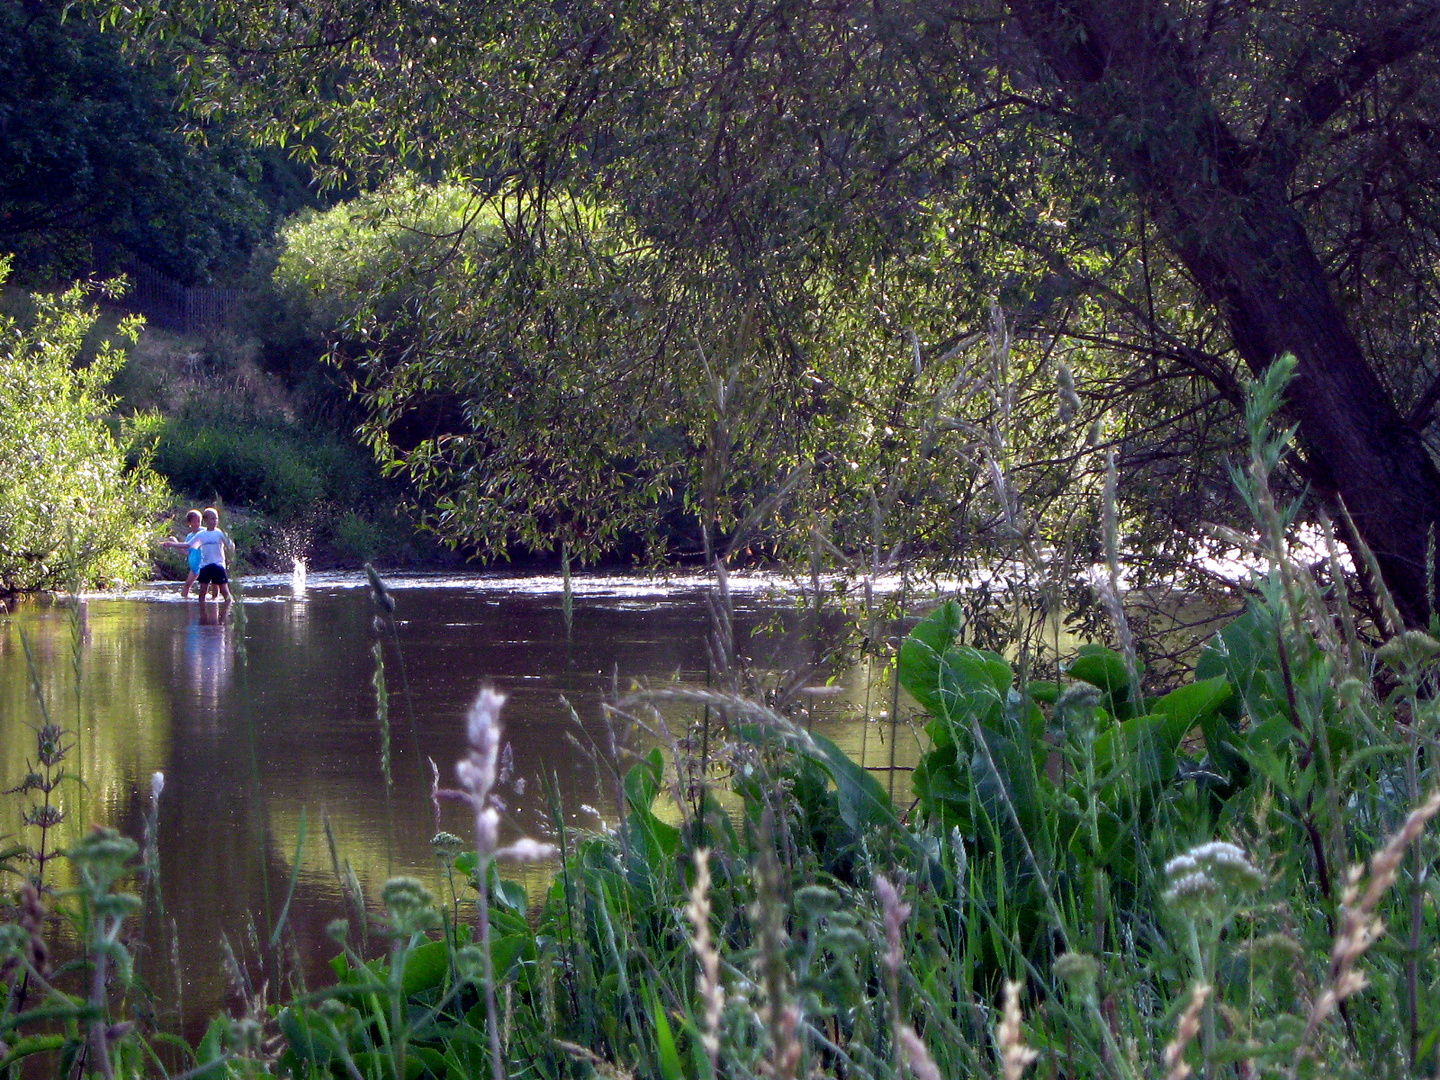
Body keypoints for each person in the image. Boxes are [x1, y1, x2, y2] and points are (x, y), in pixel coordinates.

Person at [190, 506, 234, 603]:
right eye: (212, 519)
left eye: (216, 519)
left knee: (224, 590)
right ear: (205, 520)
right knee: (202, 592)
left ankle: (227, 611)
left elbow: (230, 545)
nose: (215, 521)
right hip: (205, 566)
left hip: (218, 565)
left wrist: (231, 556)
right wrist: (172, 544)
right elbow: (189, 545)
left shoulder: (219, 533)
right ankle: (203, 616)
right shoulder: (201, 534)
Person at [160, 509, 204, 598]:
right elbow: (186, 552)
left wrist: (174, 543)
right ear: (189, 523)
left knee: (207, 585)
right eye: (195, 521)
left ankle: (213, 601)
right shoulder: (190, 536)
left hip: (204, 564)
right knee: (187, 585)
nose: (197, 524)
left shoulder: (204, 532)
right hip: (195, 566)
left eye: (199, 521)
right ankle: (186, 601)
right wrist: (175, 543)